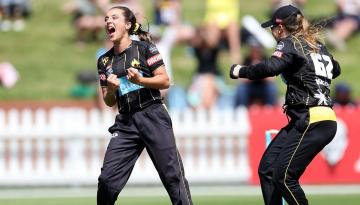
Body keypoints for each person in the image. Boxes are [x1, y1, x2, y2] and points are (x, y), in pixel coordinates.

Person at [230, 5, 341, 205]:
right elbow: (336, 68)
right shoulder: (316, 45)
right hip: (313, 119)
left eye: (272, 29)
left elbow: (271, 67)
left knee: (284, 177)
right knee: (268, 169)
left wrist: (241, 70)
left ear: (280, 29)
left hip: (311, 119)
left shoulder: (289, 42)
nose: (272, 34)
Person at [96, 6, 192, 205]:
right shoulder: (103, 61)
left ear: (128, 25)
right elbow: (108, 101)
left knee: (172, 177)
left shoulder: (146, 49)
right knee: (107, 181)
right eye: (106, 18)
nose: (108, 22)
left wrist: (141, 81)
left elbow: (165, 81)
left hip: (153, 115)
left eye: (114, 17)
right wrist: (112, 90)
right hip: (126, 123)